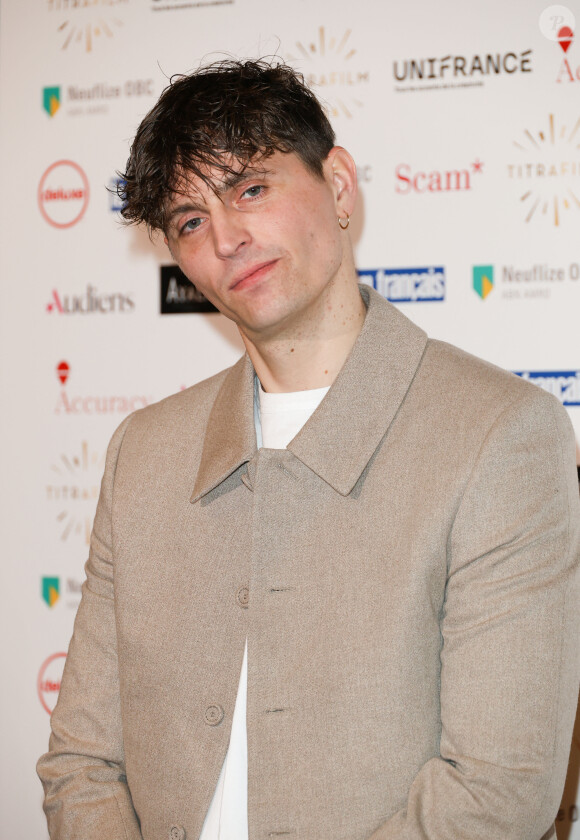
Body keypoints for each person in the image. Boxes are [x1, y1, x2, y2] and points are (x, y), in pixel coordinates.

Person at [37, 59, 580, 840]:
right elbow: (83, 763)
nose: (226, 238)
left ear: (339, 185)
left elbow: (496, 792)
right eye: (190, 221)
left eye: (250, 189)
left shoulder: (501, 434)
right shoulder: (143, 454)